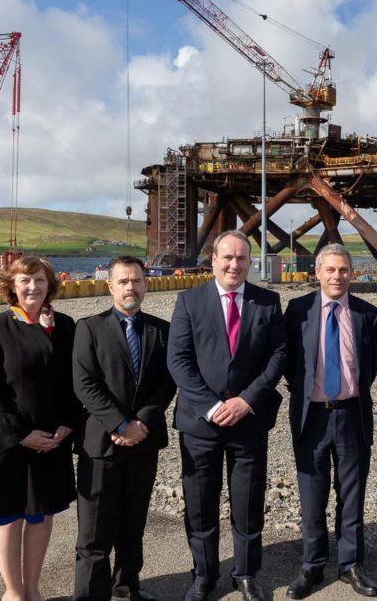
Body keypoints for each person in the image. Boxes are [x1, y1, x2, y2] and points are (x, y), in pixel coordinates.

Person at [167, 230, 286, 601]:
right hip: (200, 423)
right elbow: (179, 361)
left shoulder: (268, 302)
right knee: (200, 503)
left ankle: (247, 573)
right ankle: (204, 574)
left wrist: (247, 401)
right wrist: (212, 405)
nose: (234, 265)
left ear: (250, 262)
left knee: (248, 502)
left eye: (242, 259)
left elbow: (278, 355)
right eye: (228, 258)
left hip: (249, 421)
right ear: (214, 260)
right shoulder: (189, 300)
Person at [0, 255, 78, 601]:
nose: (33, 287)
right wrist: (20, 434)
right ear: (11, 286)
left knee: (40, 515)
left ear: (50, 286)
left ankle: (33, 587)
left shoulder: (66, 326)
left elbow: (77, 382)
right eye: (25, 280)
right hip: (9, 443)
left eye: (40, 280)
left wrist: (68, 425)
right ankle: (12, 591)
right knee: (9, 517)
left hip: (50, 441)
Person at [72, 255, 176, 601]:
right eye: (123, 281)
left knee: (133, 525)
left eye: (136, 281)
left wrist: (140, 422)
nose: (130, 287)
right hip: (100, 444)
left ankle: (127, 587)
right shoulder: (88, 327)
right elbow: (84, 383)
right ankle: (90, 595)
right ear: (110, 286)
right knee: (94, 531)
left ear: (146, 284)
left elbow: (167, 383)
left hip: (143, 442)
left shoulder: (161, 330)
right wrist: (119, 423)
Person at [283, 244, 377, 599]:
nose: (337, 276)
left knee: (352, 494)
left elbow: (370, 366)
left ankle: (351, 564)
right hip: (311, 416)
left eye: (343, 270)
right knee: (312, 494)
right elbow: (290, 362)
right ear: (318, 272)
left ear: (351, 273)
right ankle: (311, 565)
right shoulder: (297, 311)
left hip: (352, 414)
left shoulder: (368, 314)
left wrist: (346, 392)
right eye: (330, 270)